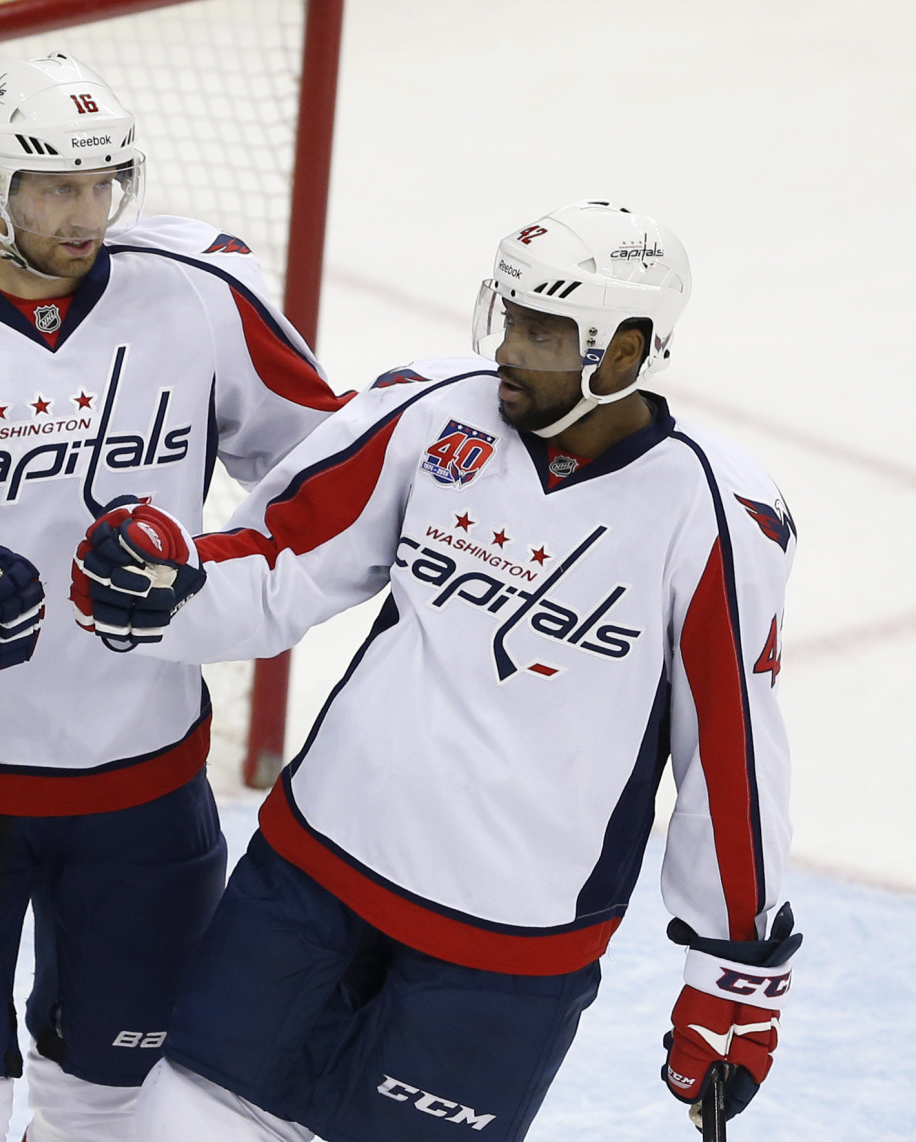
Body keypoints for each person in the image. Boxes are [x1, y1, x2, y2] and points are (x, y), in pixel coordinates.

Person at [73, 201, 800, 1142]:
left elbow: (733, 761)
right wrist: (169, 589)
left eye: (544, 332)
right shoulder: (434, 409)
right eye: (510, 317)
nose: (509, 347)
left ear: (625, 352)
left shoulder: (714, 514)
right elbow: (285, 552)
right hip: (314, 879)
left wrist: (734, 972)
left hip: (505, 951)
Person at [0, 51, 347, 1142]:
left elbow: (334, 480)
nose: (85, 214)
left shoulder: (200, 297)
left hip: (142, 791)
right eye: (53, 187)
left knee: (113, 1122)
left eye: (102, 183)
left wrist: (197, 572)